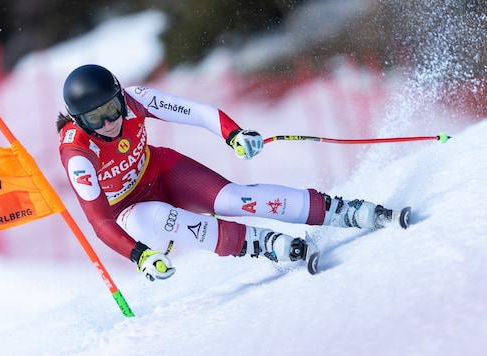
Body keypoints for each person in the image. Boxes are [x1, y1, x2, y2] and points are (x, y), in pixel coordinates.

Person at [56, 64, 401, 280]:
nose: (111, 121)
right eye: (96, 118)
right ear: (79, 121)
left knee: (235, 197)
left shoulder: (135, 100)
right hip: (129, 213)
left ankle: (342, 210)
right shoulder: (77, 154)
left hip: (159, 171)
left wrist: (233, 134)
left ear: (120, 96)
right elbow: (100, 223)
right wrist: (140, 255)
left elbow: (198, 113)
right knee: (162, 218)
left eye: (112, 108)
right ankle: (260, 244)